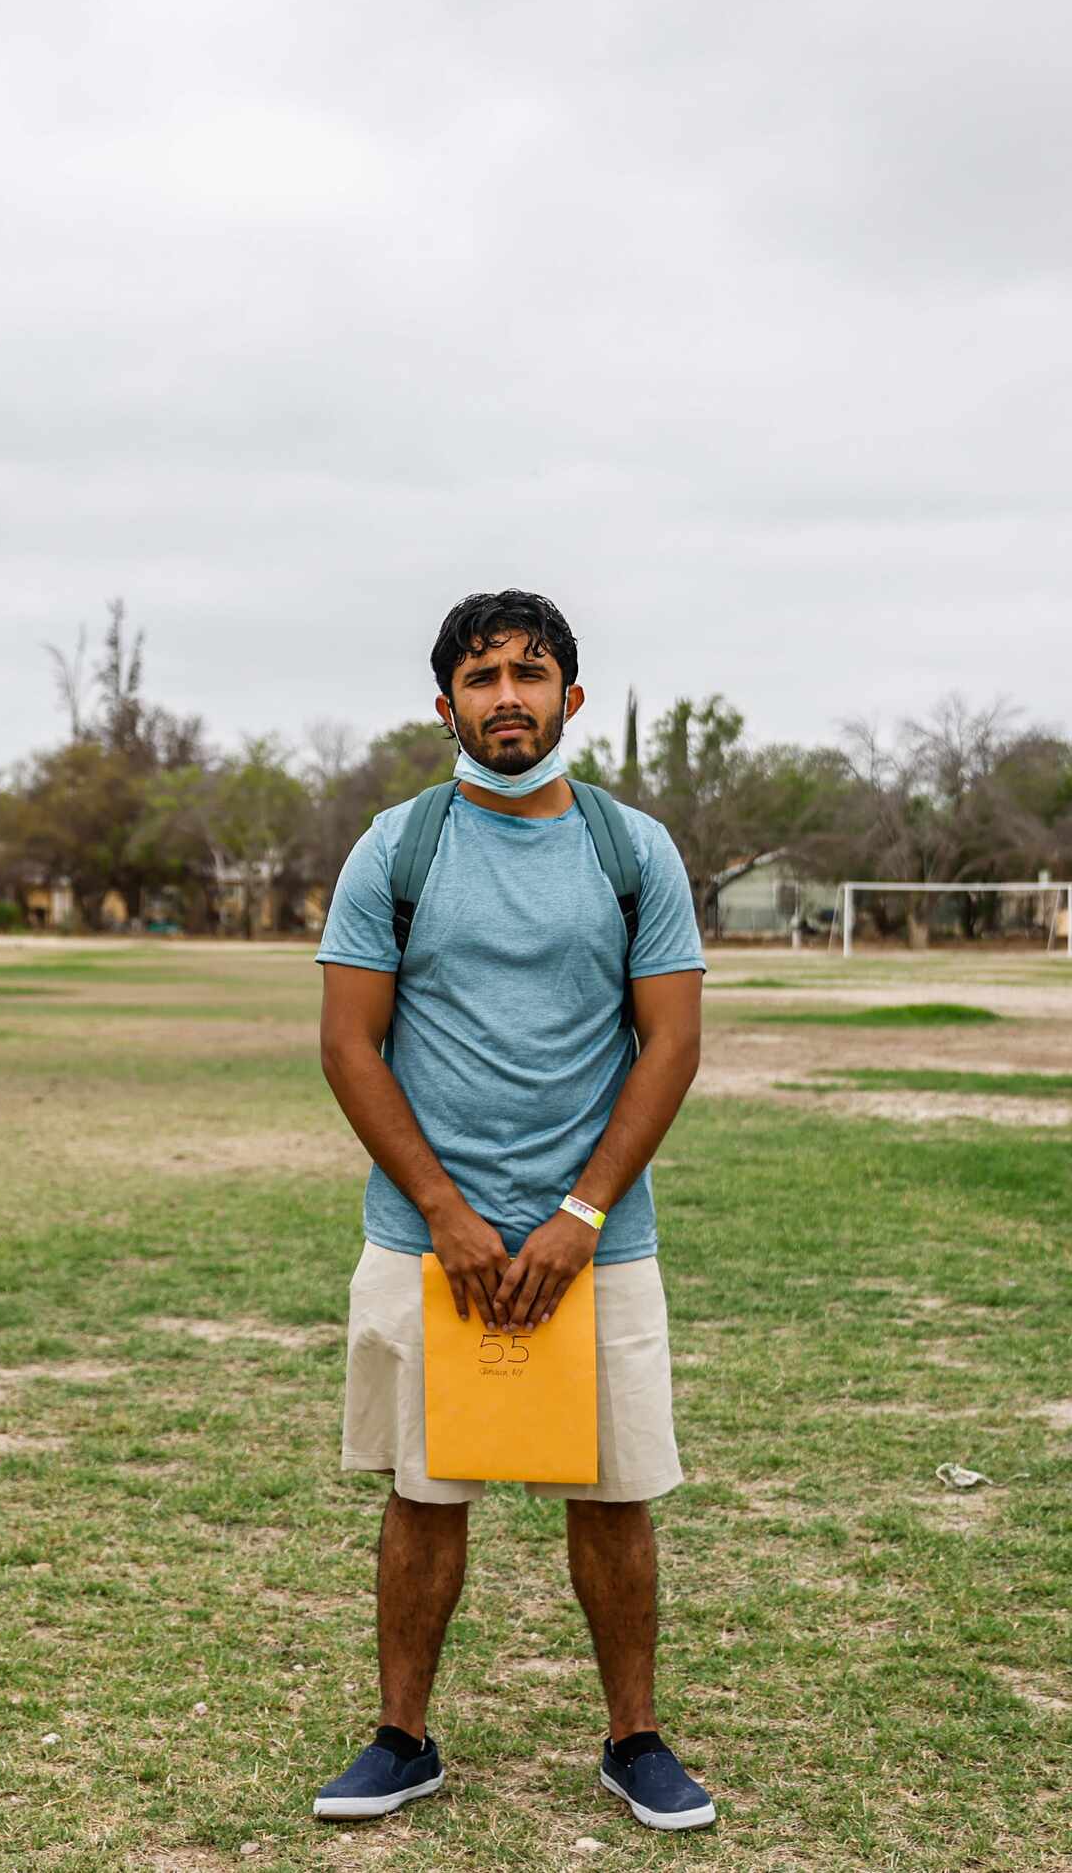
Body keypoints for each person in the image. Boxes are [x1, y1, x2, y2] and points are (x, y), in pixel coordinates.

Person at [310, 590, 717, 1832]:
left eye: (529, 675)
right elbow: (348, 1043)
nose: (506, 697)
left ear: (570, 700)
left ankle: (635, 1741)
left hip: (598, 1241)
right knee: (424, 1494)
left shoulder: (630, 848)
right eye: (480, 678)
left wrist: (582, 1215)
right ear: (445, 707)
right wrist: (443, 1208)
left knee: (615, 1492)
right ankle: (401, 1737)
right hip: (427, 1237)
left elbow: (671, 1046)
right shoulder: (398, 845)